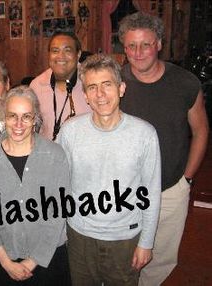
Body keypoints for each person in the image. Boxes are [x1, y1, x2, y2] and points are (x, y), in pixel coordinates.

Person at [118, 12, 209, 286]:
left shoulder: (185, 83)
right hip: (123, 191)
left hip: (171, 188)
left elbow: (201, 130)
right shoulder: (114, 83)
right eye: (132, 45)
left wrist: (187, 179)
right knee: (123, 256)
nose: (138, 52)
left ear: (158, 44)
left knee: (161, 258)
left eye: (146, 44)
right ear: (124, 48)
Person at [57, 55, 161, 286]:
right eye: (92, 87)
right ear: (84, 95)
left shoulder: (144, 134)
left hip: (124, 238)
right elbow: (58, 184)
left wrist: (146, 243)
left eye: (107, 85)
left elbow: (151, 193)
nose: (100, 94)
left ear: (121, 88)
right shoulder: (70, 131)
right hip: (79, 236)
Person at [0, 86, 71, 286]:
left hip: (47, 261)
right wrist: (6, 262)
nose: (19, 124)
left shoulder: (55, 156)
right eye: (12, 116)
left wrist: (32, 261)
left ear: (35, 118)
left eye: (26, 116)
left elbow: (57, 215)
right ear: (4, 116)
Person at [30, 32, 91, 140]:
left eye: (67, 50)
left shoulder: (92, 82)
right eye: (55, 51)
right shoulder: (36, 86)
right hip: (48, 154)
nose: (61, 56)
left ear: (78, 55)